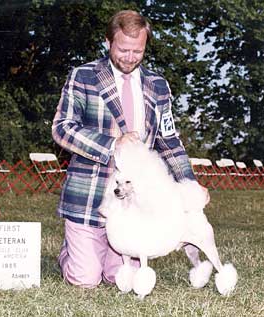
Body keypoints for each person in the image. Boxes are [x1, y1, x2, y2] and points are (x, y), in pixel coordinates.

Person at [51, 9, 208, 288]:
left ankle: (95, 254)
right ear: (108, 42)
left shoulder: (158, 85)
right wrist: (113, 144)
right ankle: (72, 253)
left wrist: (190, 184)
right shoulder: (83, 76)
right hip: (88, 195)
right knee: (85, 279)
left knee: (120, 279)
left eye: (138, 51)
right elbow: (62, 128)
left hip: (134, 204)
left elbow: (170, 141)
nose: (130, 57)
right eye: (123, 49)